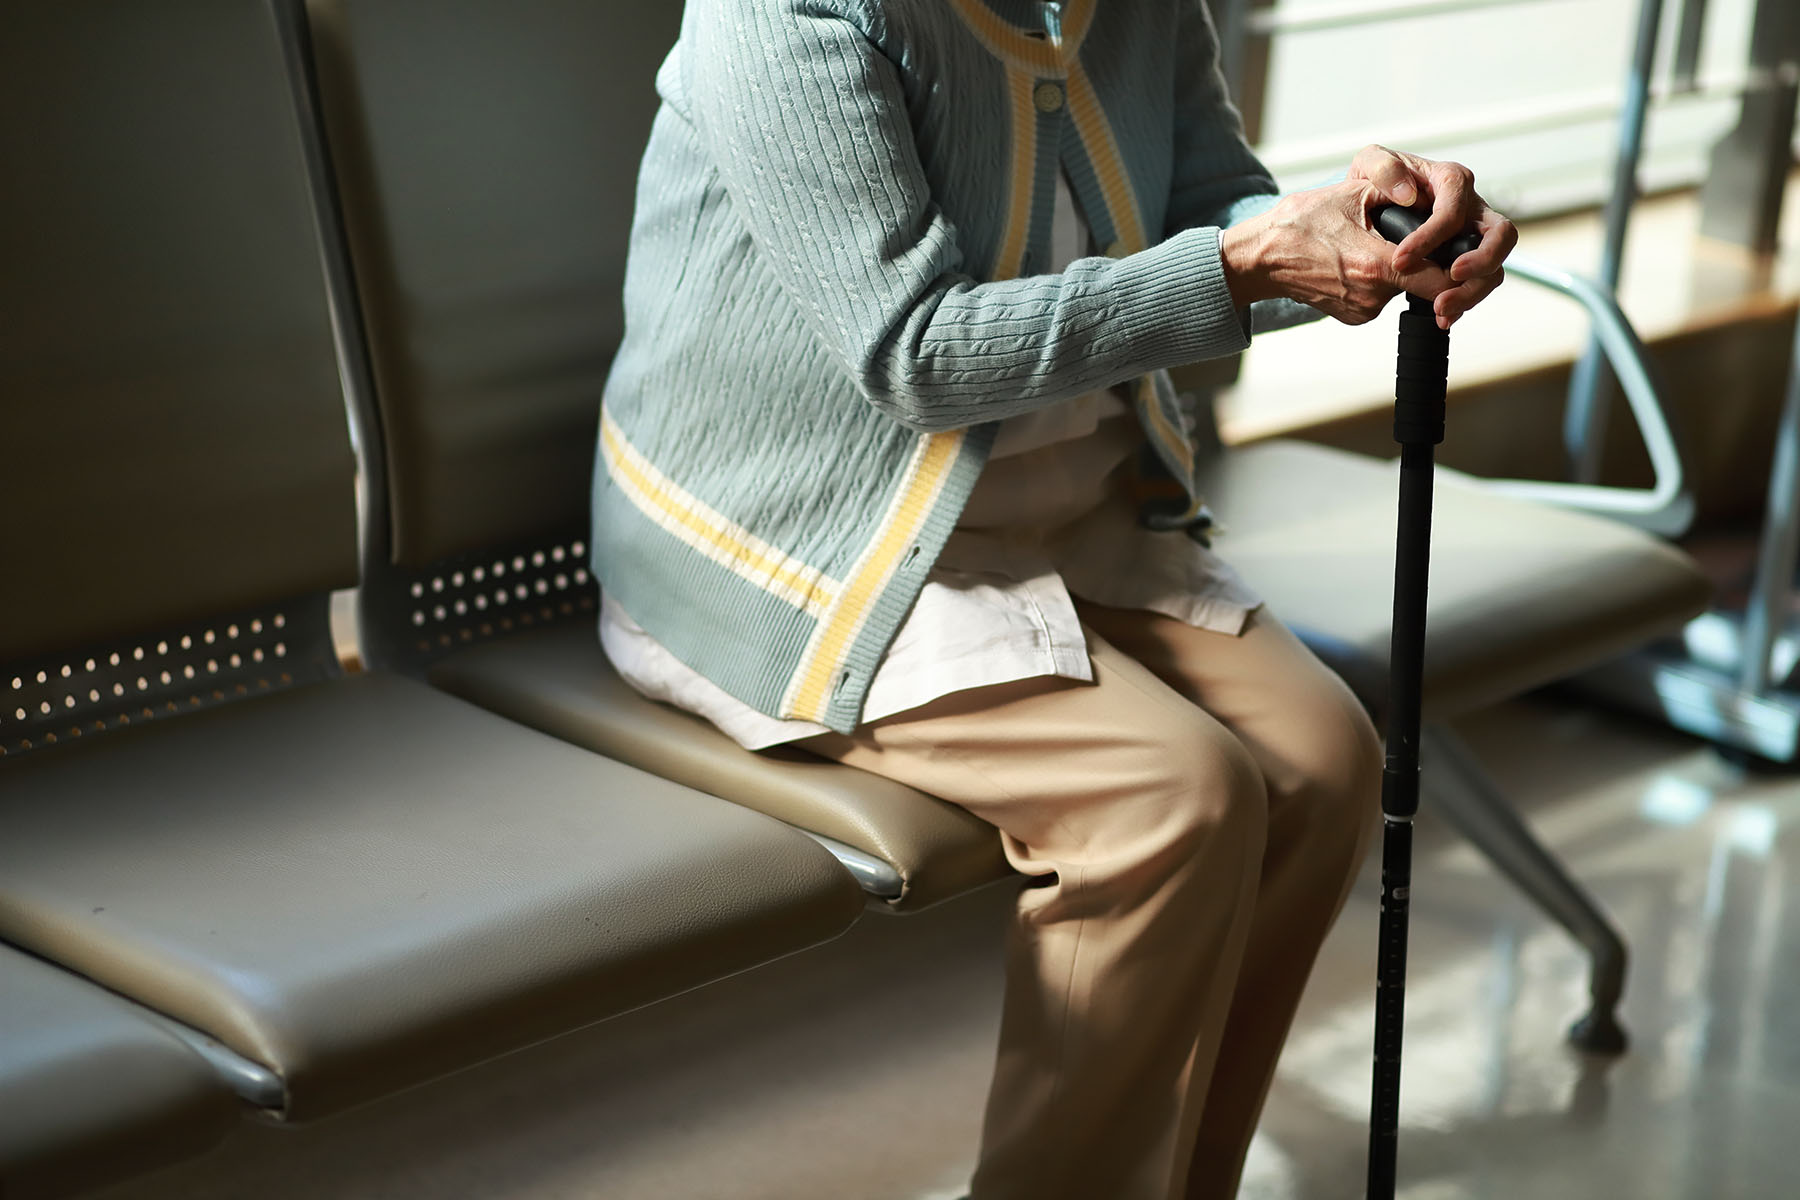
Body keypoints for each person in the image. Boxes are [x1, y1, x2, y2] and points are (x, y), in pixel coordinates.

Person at [590, 2, 1516, 1197]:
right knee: (1173, 800)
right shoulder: (789, 13)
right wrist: (1242, 264)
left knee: (1325, 762)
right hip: (801, 537)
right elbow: (914, 354)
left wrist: (1360, 244)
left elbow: (1217, 215)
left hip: (1065, 505)